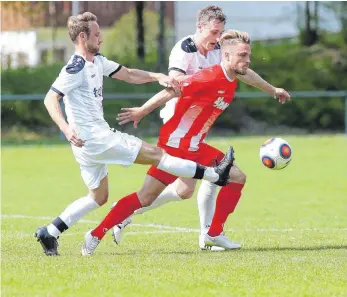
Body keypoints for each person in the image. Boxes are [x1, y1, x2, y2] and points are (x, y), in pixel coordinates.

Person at [34, 12, 234, 256]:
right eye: (97, 35)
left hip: (86, 146)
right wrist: (66, 129)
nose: (101, 39)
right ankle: (213, 173)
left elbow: (128, 74)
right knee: (157, 154)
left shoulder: (97, 61)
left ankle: (50, 232)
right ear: (83, 37)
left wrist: (158, 76)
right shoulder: (74, 67)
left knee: (98, 196)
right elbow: (50, 98)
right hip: (97, 138)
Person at [81, 29, 291, 256]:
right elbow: (172, 90)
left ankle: (213, 233)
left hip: (196, 146)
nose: (247, 60)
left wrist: (273, 89)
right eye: (242, 55)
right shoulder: (208, 77)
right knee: (145, 197)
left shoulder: (233, 75)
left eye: (248, 55)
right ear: (227, 56)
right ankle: (95, 234)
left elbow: (248, 74)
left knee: (236, 177)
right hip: (176, 147)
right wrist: (142, 111)